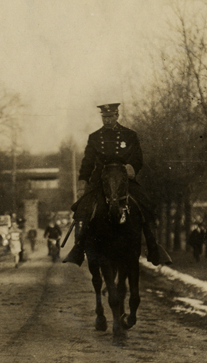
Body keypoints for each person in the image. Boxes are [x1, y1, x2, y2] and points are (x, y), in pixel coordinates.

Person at [63, 101, 171, 267]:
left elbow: (137, 157)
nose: (107, 120)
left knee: (146, 206)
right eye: (104, 117)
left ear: (117, 116)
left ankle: (154, 248)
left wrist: (131, 167)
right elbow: (87, 163)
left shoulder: (129, 135)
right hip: (100, 182)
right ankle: (78, 248)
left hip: (124, 181)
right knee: (81, 209)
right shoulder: (94, 137)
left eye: (110, 116)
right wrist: (82, 183)